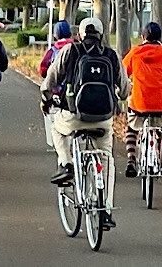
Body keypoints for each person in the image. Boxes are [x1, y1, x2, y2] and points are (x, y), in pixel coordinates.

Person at [41, 16, 130, 230]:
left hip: (74, 116)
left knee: (57, 130)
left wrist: (46, 98)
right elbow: (125, 90)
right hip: (103, 119)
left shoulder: (70, 51)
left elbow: (50, 80)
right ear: (100, 35)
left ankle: (66, 164)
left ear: (80, 34)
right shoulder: (111, 55)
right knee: (106, 159)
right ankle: (106, 209)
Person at [122, 21, 162, 177]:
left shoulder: (135, 53)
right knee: (161, 130)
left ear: (143, 37)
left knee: (132, 126)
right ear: (160, 37)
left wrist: (125, 87)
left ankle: (131, 160)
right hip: (160, 104)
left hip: (139, 103)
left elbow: (122, 72)